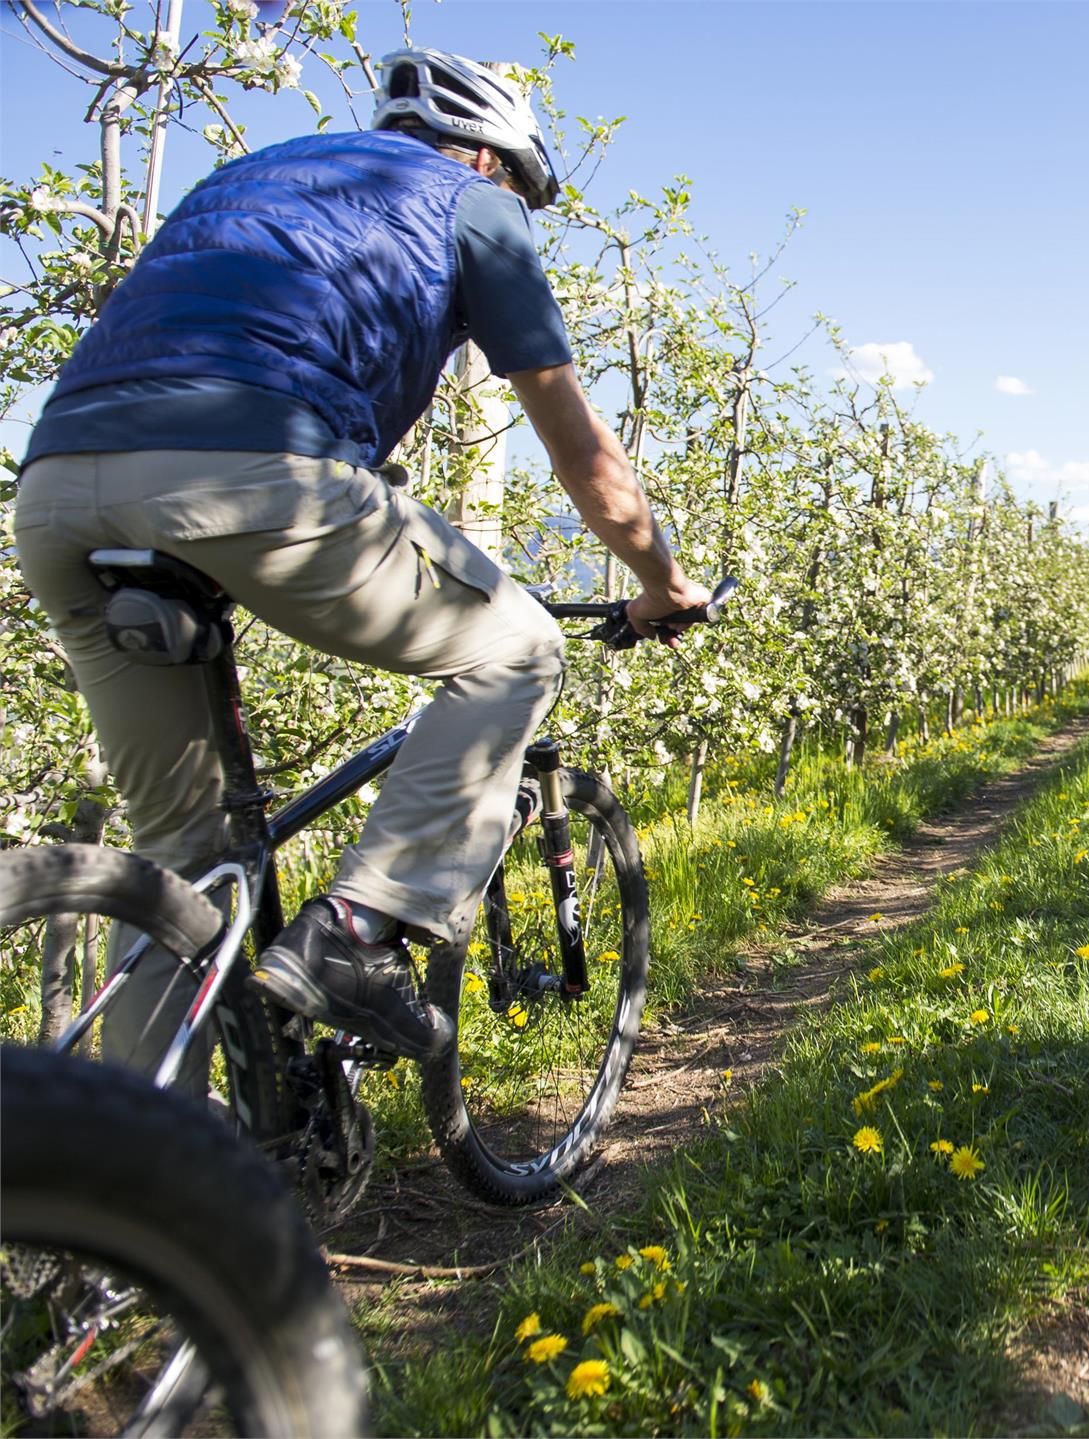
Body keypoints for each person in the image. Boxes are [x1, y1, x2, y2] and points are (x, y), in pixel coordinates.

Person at [14, 48, 707, 1068]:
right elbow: (581, 452)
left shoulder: (248, 176)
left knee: (181, 861)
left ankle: (129, 1183)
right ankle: (354, 936)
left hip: (57, 489)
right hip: (251, 473)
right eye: (518, 183)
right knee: (513, 648)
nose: (516, 200)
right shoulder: (473, 204)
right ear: (485, 157)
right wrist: (663, 583)